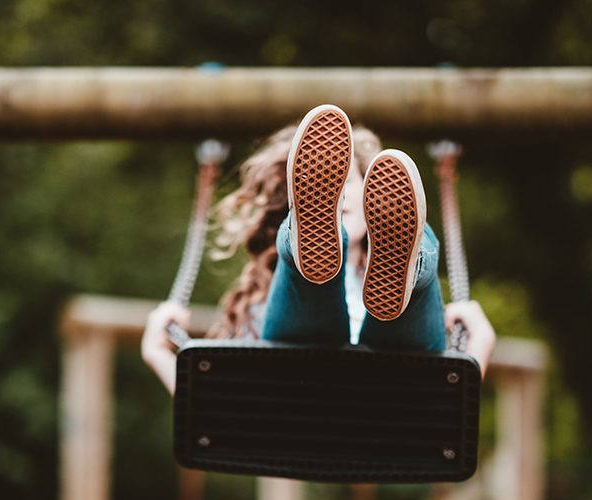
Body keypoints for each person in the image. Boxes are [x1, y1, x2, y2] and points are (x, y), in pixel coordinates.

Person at [142, 104, 495, 394]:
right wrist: (478, 345)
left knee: (405, 303)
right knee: (303, 286)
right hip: (364, 398)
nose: (339, 193)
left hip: (389, 385)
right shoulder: (257, 304)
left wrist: (159, 352)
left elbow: (214, 416)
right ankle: (306, 250)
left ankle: (408, 265)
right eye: (328, 185)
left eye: (347, 181)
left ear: (375, 192)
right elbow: (448, 413)